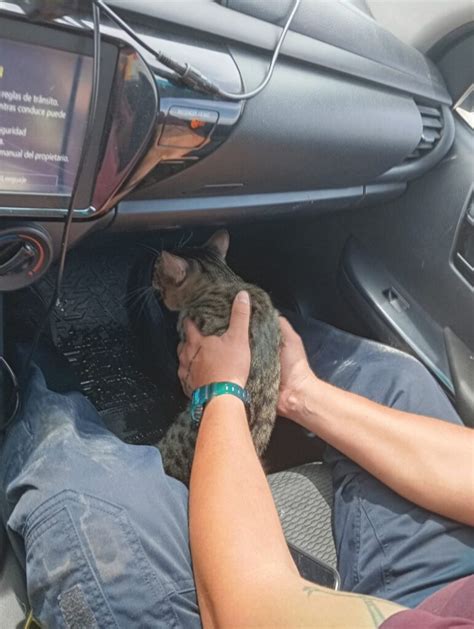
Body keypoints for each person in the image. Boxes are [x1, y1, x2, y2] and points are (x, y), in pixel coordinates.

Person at [0, 291, 473, 627]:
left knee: (99, 502)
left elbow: (251, 612)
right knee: (393, 381)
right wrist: (299, 392)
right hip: (453, 594)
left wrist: (222, 390)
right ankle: (179, 342)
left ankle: (20, 349)